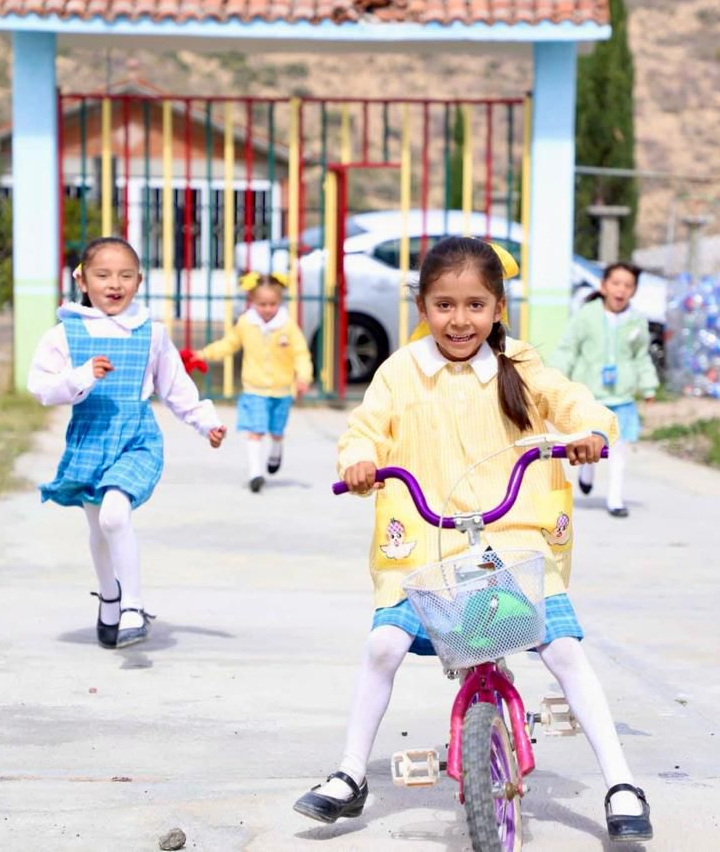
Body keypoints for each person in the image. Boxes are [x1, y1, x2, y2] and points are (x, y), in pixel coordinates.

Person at [292, 237, 654, 843]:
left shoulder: (521, 363)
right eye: (444, 305)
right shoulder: (400, 371)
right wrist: (358, 459)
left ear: (498, 306)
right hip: (429, 544)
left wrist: (588, 430)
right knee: (383, 644)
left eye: (475, 305)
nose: (459, 320)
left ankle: (621, 780)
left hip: (511, 538)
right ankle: (350, 773)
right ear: (422, 307)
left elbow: (573, 401)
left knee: (563, 651)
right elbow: (364, 430)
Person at [28, 237, 226, 649]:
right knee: (98, 529)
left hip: (136, 438)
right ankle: (110, 597)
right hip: (90, 438)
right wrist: (81, 377)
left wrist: (205, 422)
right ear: (82, 279)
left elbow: (175, 386)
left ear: (139, 281)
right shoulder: (64, 334)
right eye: (102, 275)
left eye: (125, 276)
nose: (114, 284)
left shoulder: (150, 333)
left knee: (115, 516)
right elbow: (42, 388)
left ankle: (133, 607)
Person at [550, 262, 659, 518]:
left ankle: (615, 499)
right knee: (588, 444)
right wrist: (554, 377)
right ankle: (586, 472)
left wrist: (648, 385)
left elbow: (641, 356)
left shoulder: (637, 322)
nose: (621, 290)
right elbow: (568, 349)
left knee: (619, 448)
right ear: (604, 286)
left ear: (634, 290)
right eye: (616, 283)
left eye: (628, 285)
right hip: (591, 396)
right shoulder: (586, 316)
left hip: (622, 397)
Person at [198, 271, 312, 493]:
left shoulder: (287, 326)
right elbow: (228, 344)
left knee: (276, 431)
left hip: (280, 390)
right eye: (262, 304)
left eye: (273, 304)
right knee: (255, 431)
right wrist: (204, 354)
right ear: (252, 302)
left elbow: (301, 353)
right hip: (254, 388)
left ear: (279, 302)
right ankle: (255, 474)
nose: (268, 308)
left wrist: (303, 377)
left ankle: (277, 449)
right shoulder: (245, 323)